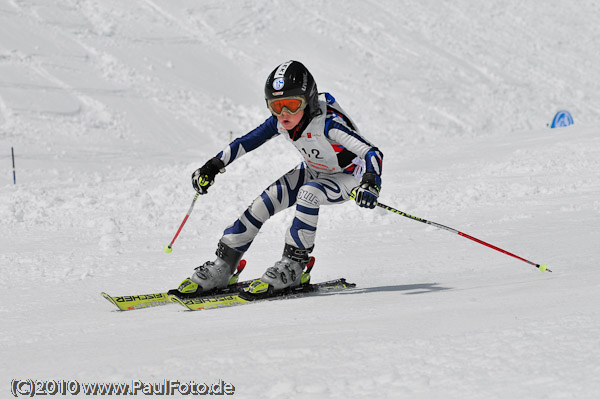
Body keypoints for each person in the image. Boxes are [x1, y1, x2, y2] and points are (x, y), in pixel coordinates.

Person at [188, 60, 383, 294]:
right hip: (313, 170)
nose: (284, 114)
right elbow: (246, 142)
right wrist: (212, 166)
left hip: (348, 176)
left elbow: (372, 152)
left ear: (309, 101)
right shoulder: (282, 121)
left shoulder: (329, 123)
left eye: (291, 104)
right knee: (263, 203)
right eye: (276, 106)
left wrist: (370, 182)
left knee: (308, 193)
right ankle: (224, 265)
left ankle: (294, 266)